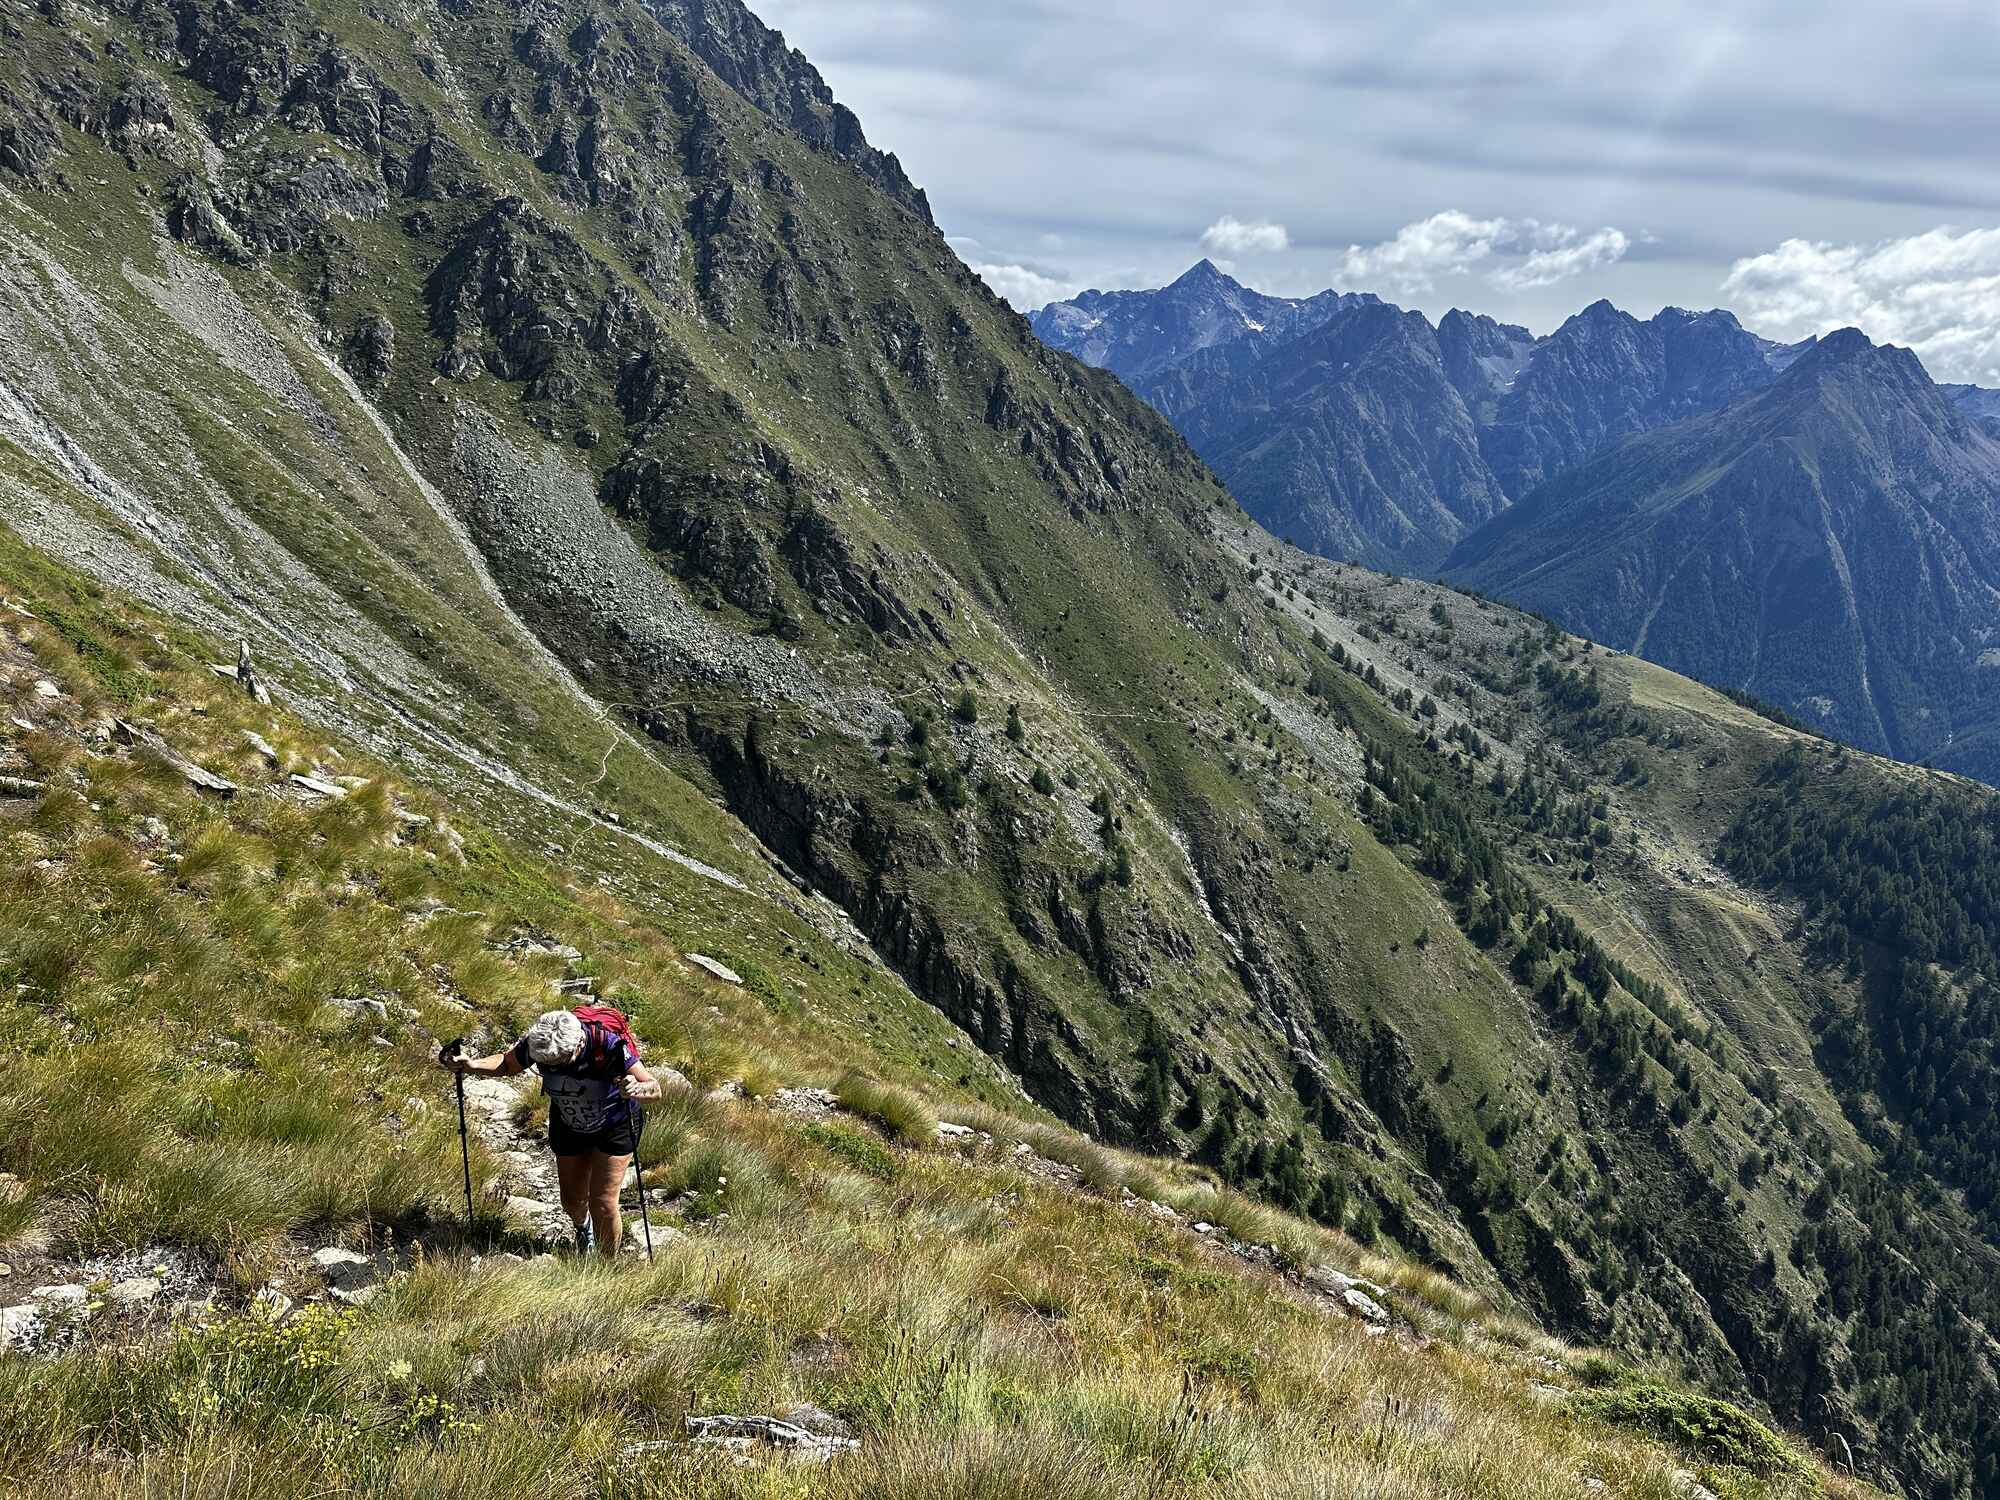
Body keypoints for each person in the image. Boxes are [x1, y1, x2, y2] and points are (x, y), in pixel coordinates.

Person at [440, 1009, 664, 1258]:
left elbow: (654, 1088)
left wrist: (636, 1088)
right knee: (571, 1201)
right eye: (545, 1064)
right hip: (569, 1124)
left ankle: (606, 1264)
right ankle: (584, 1229)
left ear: (578, 1045)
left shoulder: (606, 1044)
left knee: (602, 1202)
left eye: (558, 1062)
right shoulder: (540, 1042)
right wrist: (473, 1065)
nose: (551, 1068)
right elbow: (507, 1063)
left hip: (615, 1124)